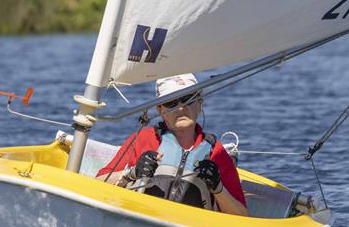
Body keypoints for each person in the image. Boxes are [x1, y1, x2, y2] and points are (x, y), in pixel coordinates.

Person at [96, 74, 248, 216]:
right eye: (171, 102)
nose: (181, 107)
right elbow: (97, 184)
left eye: (188, 99)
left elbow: (242, 215)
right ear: (160, 109)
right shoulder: (143, 139)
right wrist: (132, 173)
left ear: (200, 104)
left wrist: (218, 188)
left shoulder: (216, 152)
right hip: (141, 220)